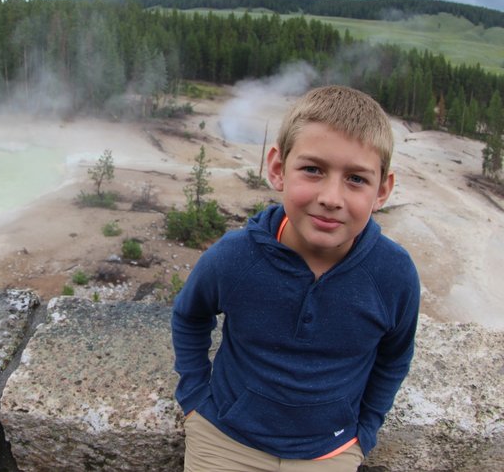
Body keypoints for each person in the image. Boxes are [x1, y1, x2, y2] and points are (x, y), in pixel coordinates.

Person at [172, 85, 420, 472]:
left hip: (330, 452)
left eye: (356, 179)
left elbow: (395, 356)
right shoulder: (235, 257)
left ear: (382, 190)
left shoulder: (393, 275)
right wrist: (194, 397)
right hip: (223, 441)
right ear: (277, 168)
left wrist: (366, 429)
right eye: (313, 170)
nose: (332, 197)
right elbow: (189, 315)